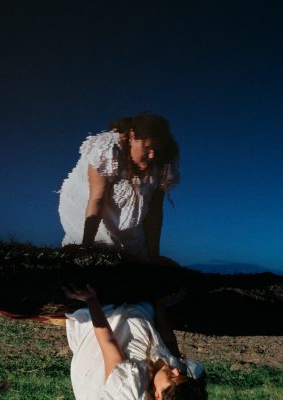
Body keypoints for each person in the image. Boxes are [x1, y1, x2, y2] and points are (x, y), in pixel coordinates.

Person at [58, 114, 179, 260]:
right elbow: (97, 198)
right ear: (132, 136)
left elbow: (155, 211)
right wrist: (86, 248)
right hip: (96, 218)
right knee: (99, 251)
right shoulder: (108, 148)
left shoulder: (162, 158)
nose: (152, 155)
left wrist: (154, 256)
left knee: (136, 260)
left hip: (131, 229)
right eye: (148, 148)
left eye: (156, 150)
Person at [63, 284, 207, 400]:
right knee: (144, 304)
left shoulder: (127, 391)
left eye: (172, 377)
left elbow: (109, 345)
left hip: (105, 333)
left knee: (99, 293)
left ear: (157, 396)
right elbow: (169, 342)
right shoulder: (179, 381)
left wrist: (91, 300)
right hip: (140, 320)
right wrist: (160, 307)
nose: (176, 371)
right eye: (181, 375)